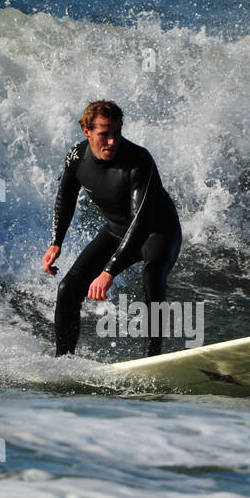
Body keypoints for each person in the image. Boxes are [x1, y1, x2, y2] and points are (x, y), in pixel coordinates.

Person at [43, 100, 182, 358]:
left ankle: (153, 358)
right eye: (104, 134)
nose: (111, 141)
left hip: (157, 232)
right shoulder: (77, 157)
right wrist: (56, 241)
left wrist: (108, 272)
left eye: (116, 133)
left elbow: (140, 222)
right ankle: (63, 360)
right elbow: (66, 195)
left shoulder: (140, 161)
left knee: (152, 276)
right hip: (116, 231)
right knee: (67, 289)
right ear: (87, 131)